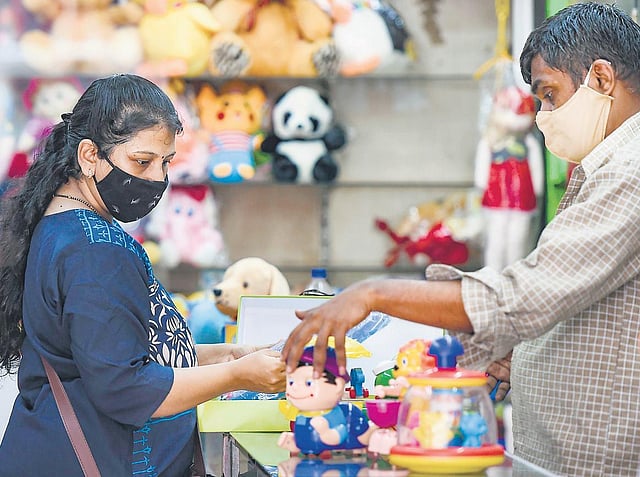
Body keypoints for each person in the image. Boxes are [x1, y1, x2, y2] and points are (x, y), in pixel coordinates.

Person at [281, 3, 640, 476]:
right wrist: (525, 355)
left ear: (601, 78)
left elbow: (527, 295)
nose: (543, 117)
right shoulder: (604, 168)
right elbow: (580, 301)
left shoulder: (629, 171)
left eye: (550, 95)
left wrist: (373, 294)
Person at [0, 74, 286, 477]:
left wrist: (224, 356)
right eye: (142, 161)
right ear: (89, 155)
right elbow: (127, 386)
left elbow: (108, 351)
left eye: (166, 162)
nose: (157, 178)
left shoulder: (64, 224)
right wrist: (236, 376)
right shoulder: (96, 251)